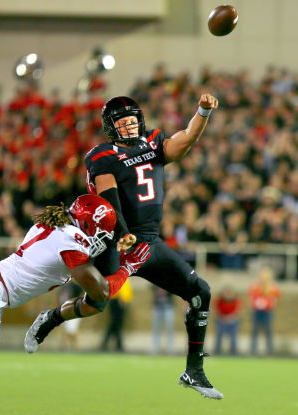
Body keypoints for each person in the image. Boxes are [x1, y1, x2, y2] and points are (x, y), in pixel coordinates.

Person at [85, 94, 223, 399]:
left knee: (200, 291)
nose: (129, 125)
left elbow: (186, 139)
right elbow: (110, 199)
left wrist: (202, 111)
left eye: (132, 120)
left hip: (149, 243)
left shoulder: (153, 142)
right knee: (96, 303)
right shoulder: (102, 156)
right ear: (111, 127)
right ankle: (52, 319)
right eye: (122, 122)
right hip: (116, 243)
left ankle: (194, 370)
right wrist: (121, 233)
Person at [0, 194, 150, 388]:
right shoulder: (70, 238)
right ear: (87, 224)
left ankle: (51, 318)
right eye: (101, 233)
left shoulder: (58, 227)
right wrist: (127, 268)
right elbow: (101, 293)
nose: (101, 239)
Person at [248, 266, 281, 355]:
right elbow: (251, 295)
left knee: (268, 330)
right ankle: (253, 350)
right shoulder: (255, 286)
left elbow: (276, 297)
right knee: (254, 330)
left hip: (267, 311)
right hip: (257, 311)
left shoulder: (272, 287)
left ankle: (269, 350)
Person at [100, 279, 133, 352]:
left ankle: (107, 343)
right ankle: (118, 345)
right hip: (118, 302)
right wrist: (122, 298)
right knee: (116, 323)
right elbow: (121, 288)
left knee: (115, 323)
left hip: (119, 301)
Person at [213, 286, 241, 355]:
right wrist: (223, 318)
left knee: (233, 336)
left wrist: (230, 318)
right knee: (219, 334)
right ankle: (217, 351)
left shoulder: (236, 301)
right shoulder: (219, 300)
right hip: (221, 320)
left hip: (232, 321)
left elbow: (237, 311)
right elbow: (216, 310)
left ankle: (234, 352)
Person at [152, 286, 175, 355]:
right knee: (156, 329)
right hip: (157, 306)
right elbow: (151, 287)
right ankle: (155, 349)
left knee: (169, 329)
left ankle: (170, 349)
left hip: (168, 307)